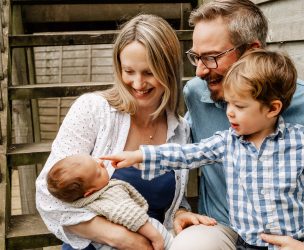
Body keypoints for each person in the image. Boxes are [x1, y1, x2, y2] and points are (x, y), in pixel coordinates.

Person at [101, 49, 304, 250]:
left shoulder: (301, 141)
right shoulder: (227, 142)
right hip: (243, 240)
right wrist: (141, 154)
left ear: (272, 109)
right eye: (228, 103)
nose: (230, 112)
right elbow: (186, 154)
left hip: (292, 240)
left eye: (240, 106)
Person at [172, 1, 304, 249]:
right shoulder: (198, 93)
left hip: (288, 236)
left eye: (211, 58)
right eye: (196, 57)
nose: (199, 71)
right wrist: (178, 209)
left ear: (252, 50)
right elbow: (177, 152)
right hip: (220, 228)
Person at [35, 14, 215, 250]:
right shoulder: (92, 110)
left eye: (149, 73)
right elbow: (48, 197)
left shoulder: (180, 129)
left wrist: (180, 212)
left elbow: (172, 200)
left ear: (169, 71)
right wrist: (120, 238)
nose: (138, 84)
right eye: (129, 71)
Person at [47, 154, 174, 250]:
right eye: (98, 172)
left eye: (95, 161)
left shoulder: (79, 202)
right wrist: (156, 238)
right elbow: (135, 218)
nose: (101, 163)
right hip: (148, 233)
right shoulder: (110, 196)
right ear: (90, 192)